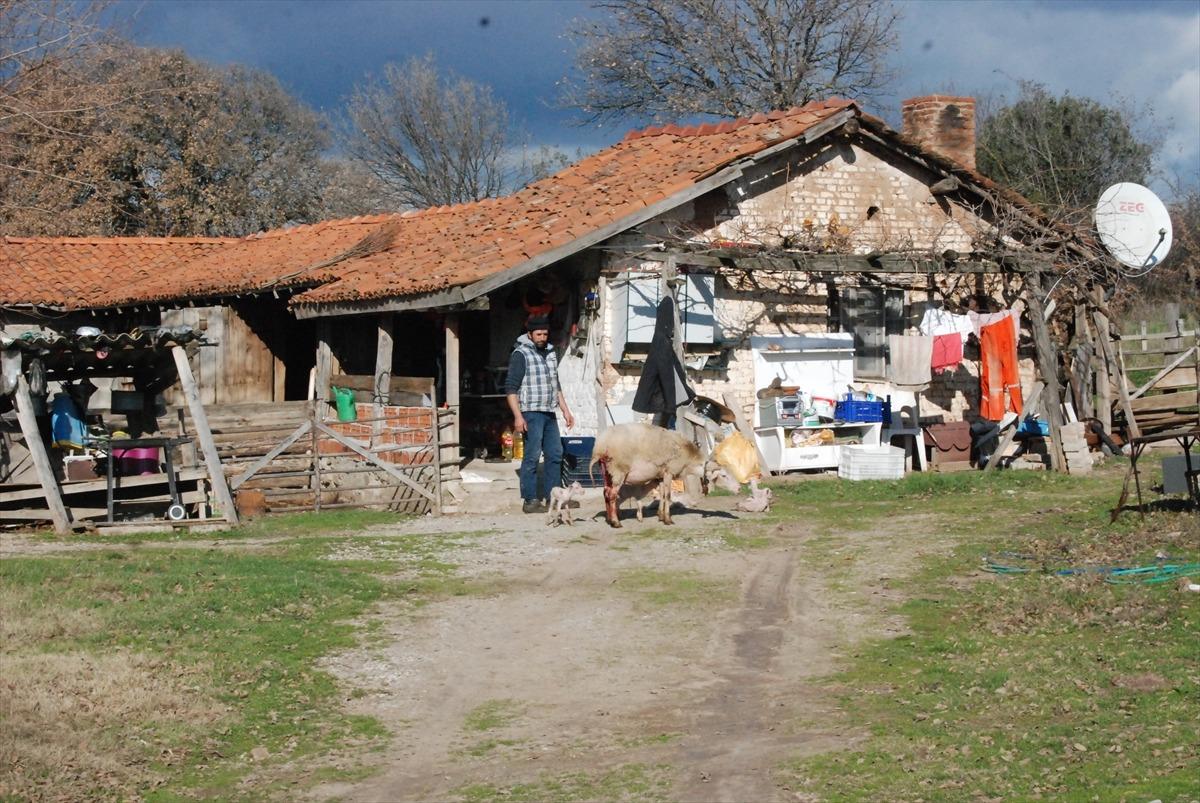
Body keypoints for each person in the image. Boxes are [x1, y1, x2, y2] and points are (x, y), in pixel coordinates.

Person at [505, 315, 574, 513]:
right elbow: (511, 388)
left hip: (549, 412)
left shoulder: (551, 352)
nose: (542, 337)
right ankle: (530, 500)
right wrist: (518, 416)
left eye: (545, 333)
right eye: (538, 334)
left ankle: (554, 497)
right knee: (532, 455)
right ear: (530, 334)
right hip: (530, 412)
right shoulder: (521, 354)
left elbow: (556, 384)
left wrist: (566, 410)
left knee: (555, 454)